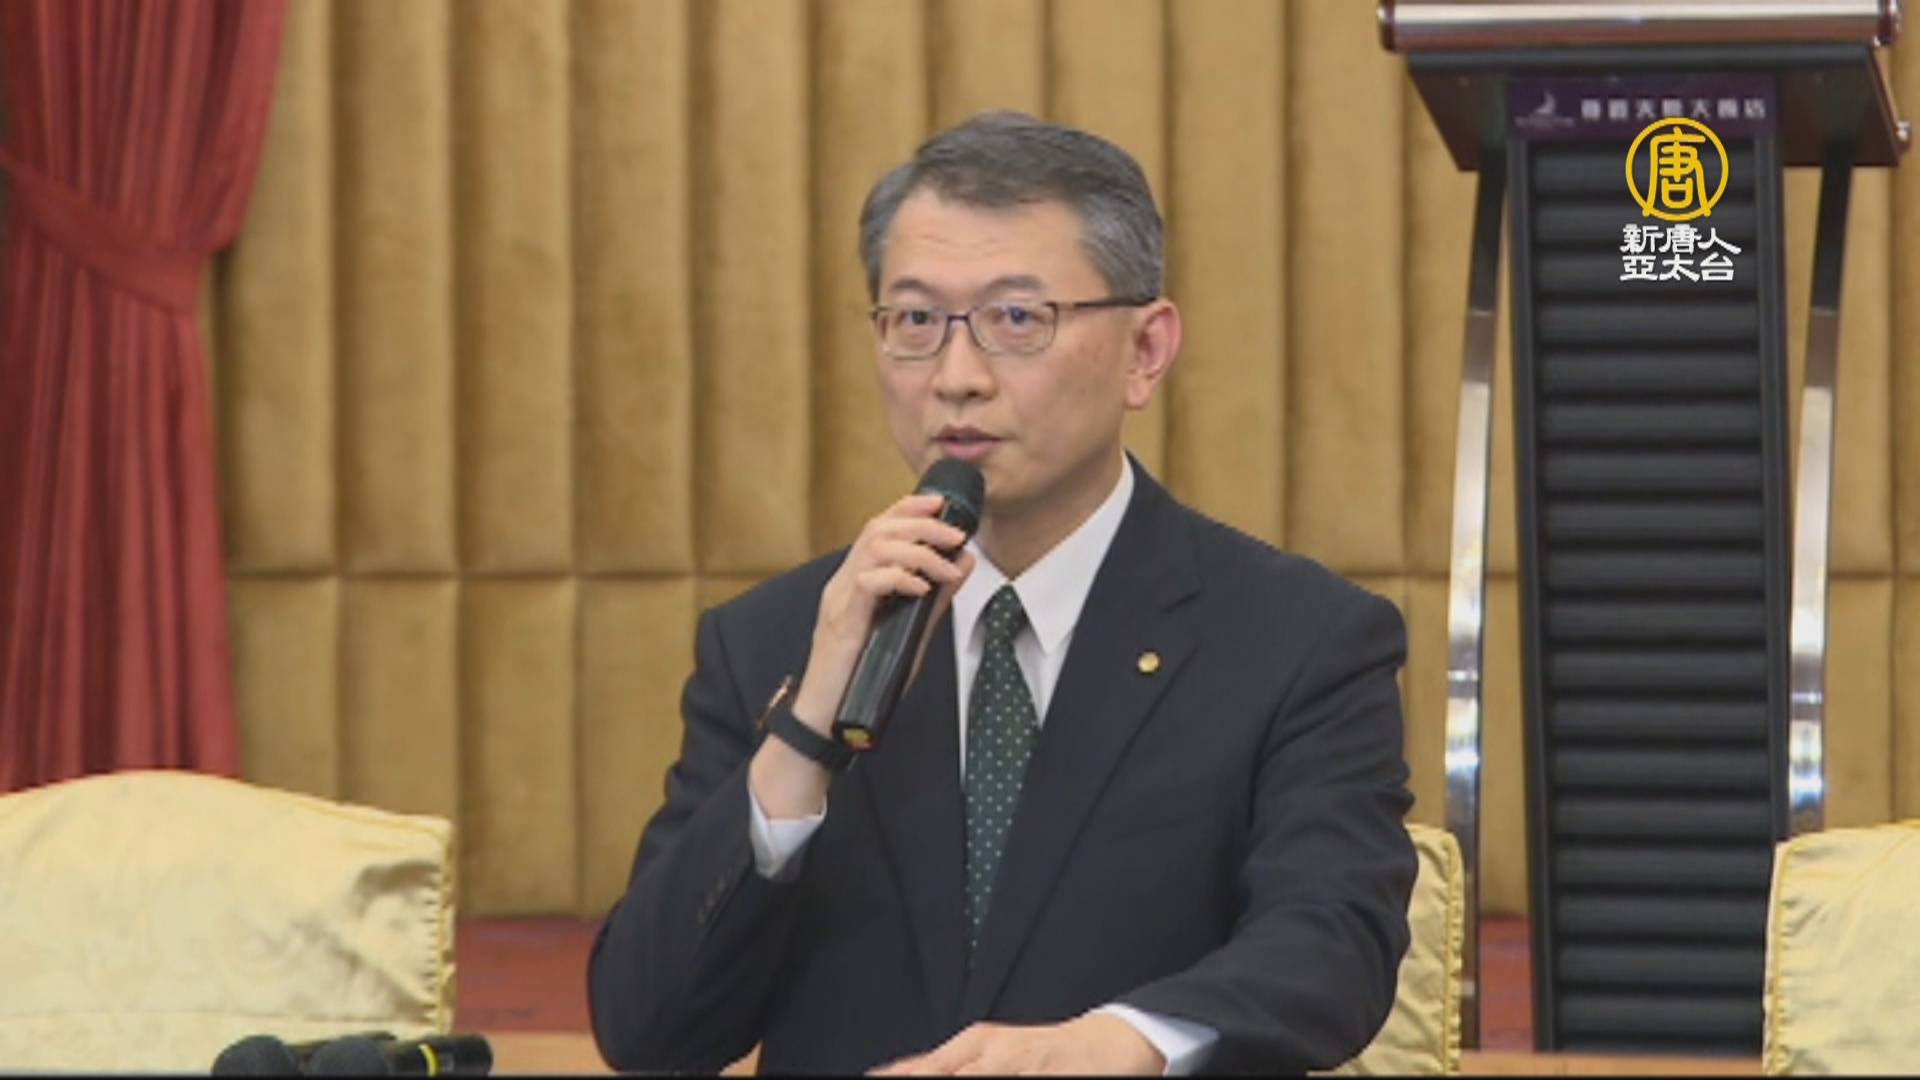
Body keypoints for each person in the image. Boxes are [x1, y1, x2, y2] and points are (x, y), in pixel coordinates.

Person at [586, 110, 1417, 1076]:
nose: (957, 377)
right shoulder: (777, 641)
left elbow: (1332, 943)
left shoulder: (1298, 640)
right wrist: (807, 734)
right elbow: (646, 1030)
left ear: (1145, 351)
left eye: (1017, 319)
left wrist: (1121, 1043)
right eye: (915, 322)